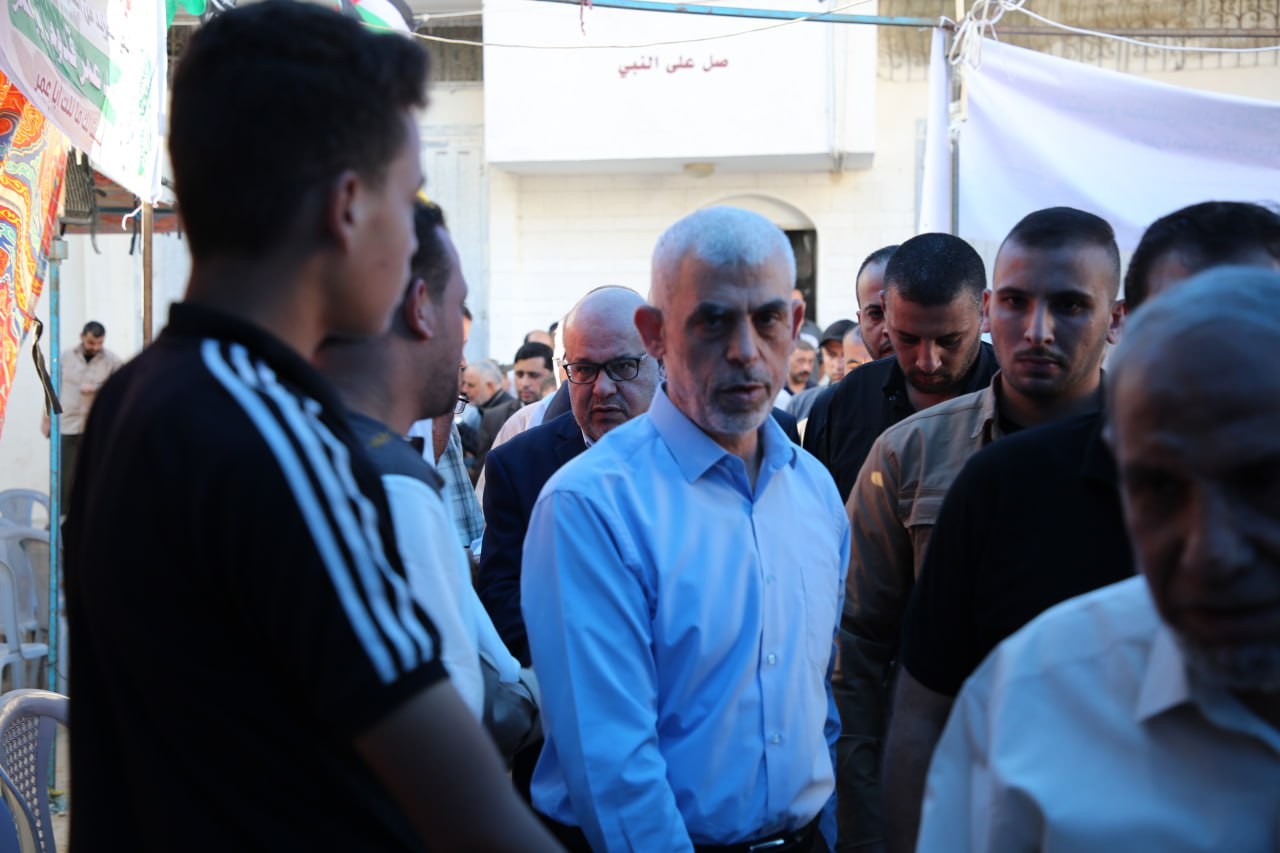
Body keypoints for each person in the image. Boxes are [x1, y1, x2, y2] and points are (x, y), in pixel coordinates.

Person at [62, 5, 561, 850]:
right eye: (408, 198)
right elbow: (468, 807)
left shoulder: (139, 396)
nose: (413, 237)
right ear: (348, 207)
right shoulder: (282, 441)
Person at [887, 198, 1280, 853]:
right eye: (1161, 486)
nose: (1211, 548)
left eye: (1261, 482)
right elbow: (899, 686)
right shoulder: (1032, 684)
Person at [523, 207, 848, 852]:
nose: (745, 351)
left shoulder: (813, 490)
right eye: (712, 321)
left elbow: (818, 702)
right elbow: (614, 769)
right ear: (655, 334)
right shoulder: (591, 506)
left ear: (795, 323)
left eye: (767, 319)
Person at [842, 207, 1123, 852]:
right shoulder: (909, 453)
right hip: (956, 805)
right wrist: (868, 826)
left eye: (1071, 305)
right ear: (991, 308)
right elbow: (855, 644)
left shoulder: (1165, 459)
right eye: (1017, 303)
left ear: (1116, 319)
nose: (1038, 330)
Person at [316, 201, 538, 761]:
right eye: (459, 309)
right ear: (421, 308)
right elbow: (452, 727)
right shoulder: (391, 487)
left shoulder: (314, 449)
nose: (465, 354)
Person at [479, 286, 660, 669]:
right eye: (584, 370)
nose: (602, 388)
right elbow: (505, 598)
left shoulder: (708, 450)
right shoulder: (518, 466)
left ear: (659, 361)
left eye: (623, 366)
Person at [803, 234, 997, 503]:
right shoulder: (845, 402)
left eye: (949, 341)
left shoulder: (1018, 396)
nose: (927, 362)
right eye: (908, 338)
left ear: (984, 310)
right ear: (887, 309)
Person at [41, 321, 123, 506]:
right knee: (64, 478)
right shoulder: (64, 358)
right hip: (67, 425)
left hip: (96, 429)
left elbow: (123, 388)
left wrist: (97, 387)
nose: (96, 347)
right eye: (91, 343)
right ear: (82, 337)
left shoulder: (112, 361)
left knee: (94, 478)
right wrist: (46, 419)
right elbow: (50, 390)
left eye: (100, 343)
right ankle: (62, 519)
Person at [460, 359, 520, 483]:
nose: (464, 390)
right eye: (464, 384)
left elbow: (486, 452)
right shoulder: (481, 410)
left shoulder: (509, 414)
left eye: (471, 385)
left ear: (490, 386)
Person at [512, 341, 554, 405]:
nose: (524, 384)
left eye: (534, 375)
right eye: (519, 375)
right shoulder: (499, 411)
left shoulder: (567, 409)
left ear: (552, 374)